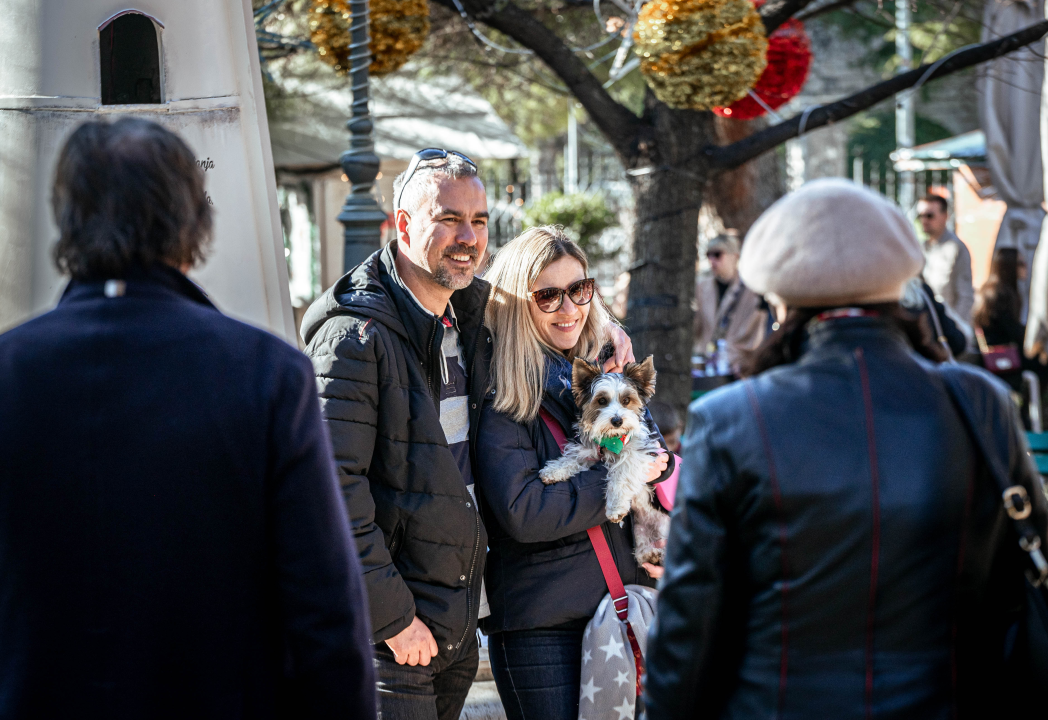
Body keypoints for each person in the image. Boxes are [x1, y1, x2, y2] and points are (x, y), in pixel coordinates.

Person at [0, 118, 375, 718]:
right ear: (193, 221)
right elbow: (325, 611)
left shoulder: (11, 369)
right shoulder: (265, 373)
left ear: (68, 219)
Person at [645, 179, 1048, 720]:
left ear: (778, 300)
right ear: (899, 286)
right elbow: (1020, 574)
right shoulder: (979, 402)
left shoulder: (730, 419)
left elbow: (688, 631)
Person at [301, 154, 634, 719]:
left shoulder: (474, 317)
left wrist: (611, 332)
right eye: (448, 218)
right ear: (403, 225)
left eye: (478, 220)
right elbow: (327, 491)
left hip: (451, 626)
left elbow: (556, 310)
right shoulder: (354, 338)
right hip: (389, 637)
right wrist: (392, 619)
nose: (468, 237)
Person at [475, 226, 673, 720]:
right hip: (547, 628)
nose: (569, 308)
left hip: (628, 604)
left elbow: (657, 459)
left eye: (579, 289)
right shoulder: (504, 392)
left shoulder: (609, 367)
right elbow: (524, 512)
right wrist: (620, 480)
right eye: (548, 296)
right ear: (518, 303)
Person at [693, 232, 766, 374]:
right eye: (708, 255)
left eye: (717, 254)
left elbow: (757, 330)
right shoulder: (701, 286)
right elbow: (697, 328)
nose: (712, 260)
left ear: (735, 256)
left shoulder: (752, 288)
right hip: (707, 364)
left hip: (739, 366)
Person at [918, 194, 974, 324]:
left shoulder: (956, 248)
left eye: (929, 215)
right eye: (921, 215)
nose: (924, 220)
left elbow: (965, 296)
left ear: (945, 216)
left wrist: (956, 328)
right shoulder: (920, 248)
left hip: (949, 325)